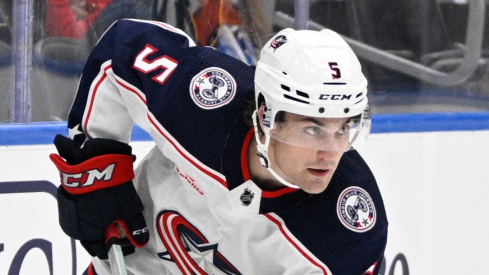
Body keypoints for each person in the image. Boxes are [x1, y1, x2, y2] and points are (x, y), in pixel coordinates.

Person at [50, 18, 388, 274]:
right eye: (312, 129)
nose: (331, 152)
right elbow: (121, 50)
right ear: (264, 115)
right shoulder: (202, 98)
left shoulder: (347, 230)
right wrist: (96, 167)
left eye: (345, 128)